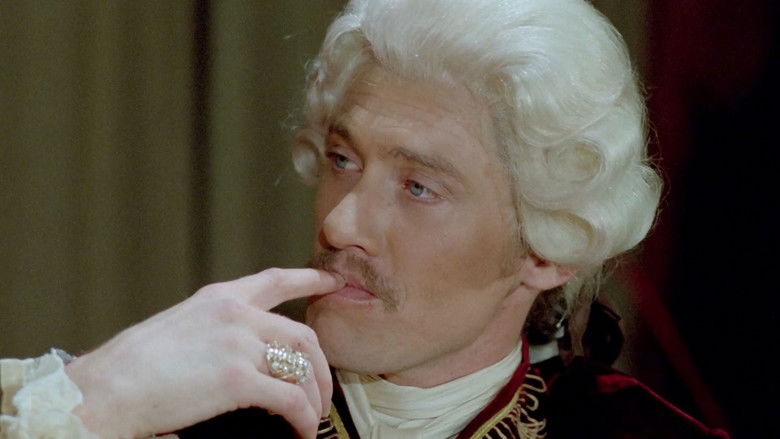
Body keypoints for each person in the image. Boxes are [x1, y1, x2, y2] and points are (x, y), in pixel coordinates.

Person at [0, 0, 729, 438]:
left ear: (547, 246)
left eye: (418, 187)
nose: (342, 222)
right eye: (343, 160)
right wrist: (94, 401)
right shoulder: (186, 416)